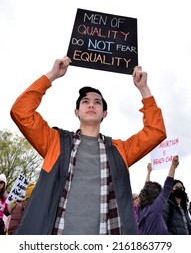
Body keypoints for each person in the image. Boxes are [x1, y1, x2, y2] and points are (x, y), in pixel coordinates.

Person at [10, 56, 166, 235]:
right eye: (85, 101)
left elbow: (156, 131)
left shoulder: (119, 150)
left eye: (97, 102)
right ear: (76, 111)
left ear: (104, 113)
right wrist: (52, 75)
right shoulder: (55, 142)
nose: (91, 104)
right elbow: (20, 112)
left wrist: (143, 89)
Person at [137, 156, 179, 234]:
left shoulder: (140, 209)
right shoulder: (154, 208)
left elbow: (146, 188)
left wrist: (149, 172)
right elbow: (167, 187)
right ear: (156, 195)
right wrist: (173, 166)